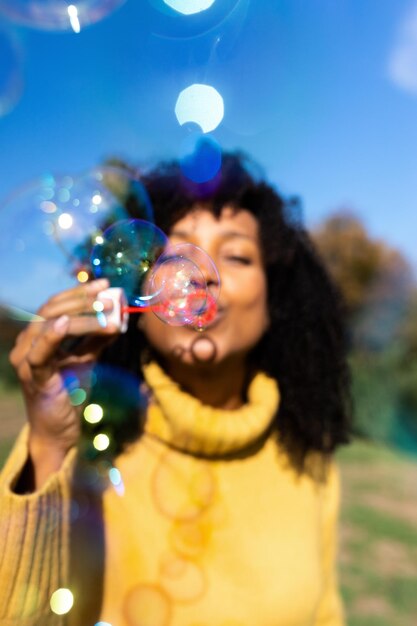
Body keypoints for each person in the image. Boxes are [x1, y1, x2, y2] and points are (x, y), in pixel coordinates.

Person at [0, 152, 351, 626]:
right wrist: (49, 443)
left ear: (276, 300)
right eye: (172, 255)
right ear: (132, 298)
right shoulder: (87, 438)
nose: (202, 273)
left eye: (237, 255)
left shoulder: (307, 453)